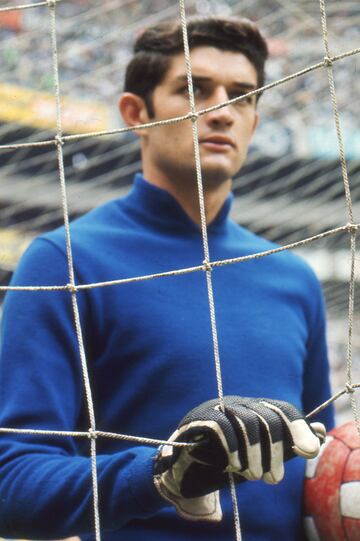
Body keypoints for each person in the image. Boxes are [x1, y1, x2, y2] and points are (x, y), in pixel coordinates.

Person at [0, 16, 334, 541]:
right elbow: (11, 483)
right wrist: (162, 470)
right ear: (136, 113)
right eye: (194, 89)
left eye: (242, 96)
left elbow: (323, 462)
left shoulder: (293, 275)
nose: (222, 110)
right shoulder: (63, 260)